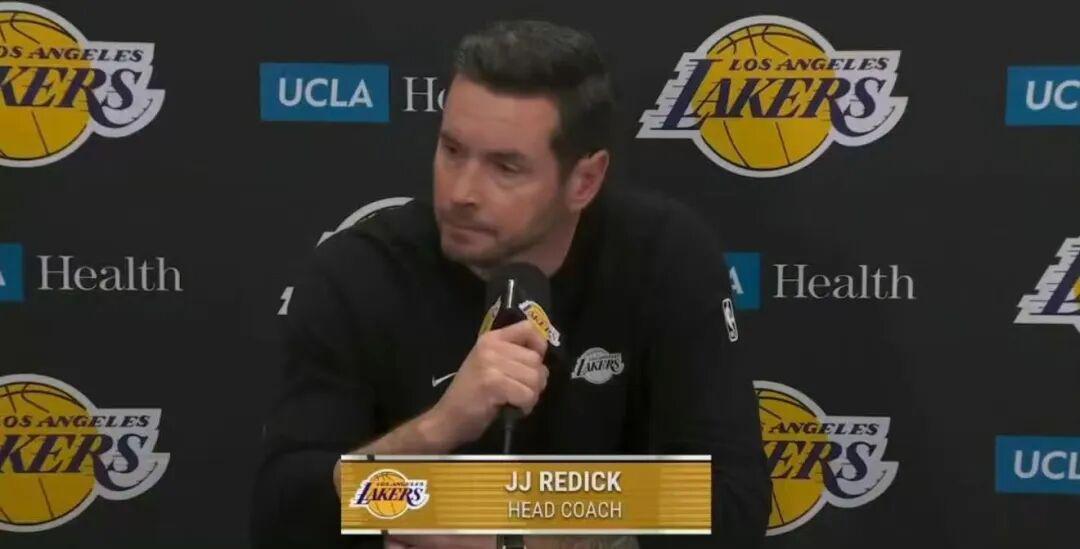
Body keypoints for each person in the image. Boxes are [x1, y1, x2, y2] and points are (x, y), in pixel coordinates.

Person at [251, 19, 769, 549]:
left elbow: (733, 503)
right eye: (452, 150)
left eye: (505, 167)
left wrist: (514, 533)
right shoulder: (360, 270)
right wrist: (440, 427)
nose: (461, 192)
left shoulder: (663, 257)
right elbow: (284, 515)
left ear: (584, 180)